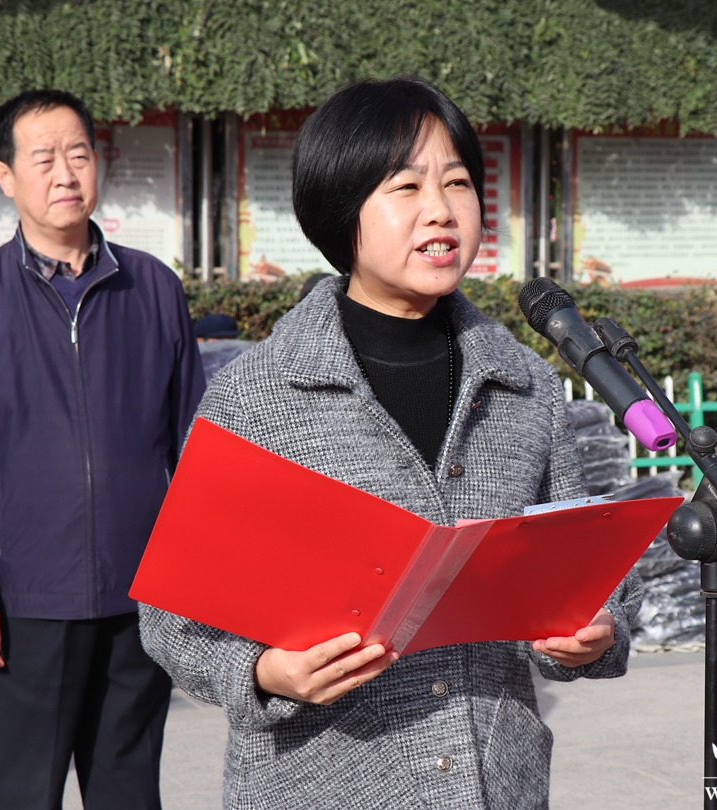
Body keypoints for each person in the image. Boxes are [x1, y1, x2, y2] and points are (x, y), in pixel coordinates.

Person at [138, 76, 642, 810]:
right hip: (319, 786)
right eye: (405, 186)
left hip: (494, 784)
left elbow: (585, 568)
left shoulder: (524, 383)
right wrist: (266, 672)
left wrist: (595, 628)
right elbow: (172, 619)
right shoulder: (257, 395)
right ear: (341, 209)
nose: (441, 209)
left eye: (458, 182)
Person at [0, 89, 205, 810]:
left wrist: (193, 577)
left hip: (139, 600)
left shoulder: (153, 288)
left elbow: (196, 446)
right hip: (25, 604)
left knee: (128, 792)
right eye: (43, 159)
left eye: (78, 154)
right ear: (5, 176)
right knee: (20, 794)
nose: (65, 174)